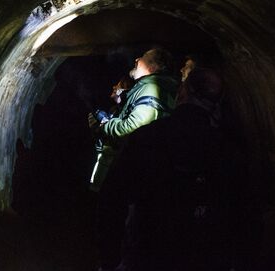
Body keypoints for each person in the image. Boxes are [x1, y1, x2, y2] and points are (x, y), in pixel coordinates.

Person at [97, 67, 241, 271]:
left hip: (152, 252)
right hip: (206, 256)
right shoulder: (226, 147)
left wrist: (110, 258)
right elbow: (243, 210)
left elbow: (113, 197)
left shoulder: (149, 136)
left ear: (182, 92)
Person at [88, 48, 179, 192]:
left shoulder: (152, 88)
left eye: (143, 57)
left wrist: (106, 124)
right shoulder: (147, 87)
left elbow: (133, 128)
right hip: (127, 166)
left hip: (125, 169)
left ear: (153, 67)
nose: (137, 59)